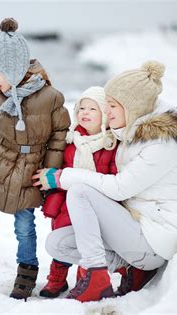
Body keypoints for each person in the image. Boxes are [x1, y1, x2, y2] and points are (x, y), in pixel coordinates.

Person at [33, 61, 177, 302]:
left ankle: (96, 277)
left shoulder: (160, 144)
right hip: (134, 228)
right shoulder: (131, 132)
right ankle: (131, 268)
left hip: (153, 240)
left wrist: (63, 177)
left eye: (112, 105)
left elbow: (119, 188)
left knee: (79, 191)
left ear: (131, 106)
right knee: (58, 243)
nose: (107, 111)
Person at [0, 17, 71, 300]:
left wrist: (51, 171)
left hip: (30, 171)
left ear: (14, 69)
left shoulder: (51, 98)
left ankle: (26, 276)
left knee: (24, 225)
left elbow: (58, 135)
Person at [38, 86, 118, 298]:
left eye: (92, 108)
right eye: (81, 108)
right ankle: (56, 278)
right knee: (62, 235)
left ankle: (86, 277)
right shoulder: (71, 140)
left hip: (95, 202)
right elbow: (61, 167)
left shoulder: (110, 144)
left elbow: (113, 176)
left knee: (87, 240)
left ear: (103, 115)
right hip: (66, 201)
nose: (85, 112)